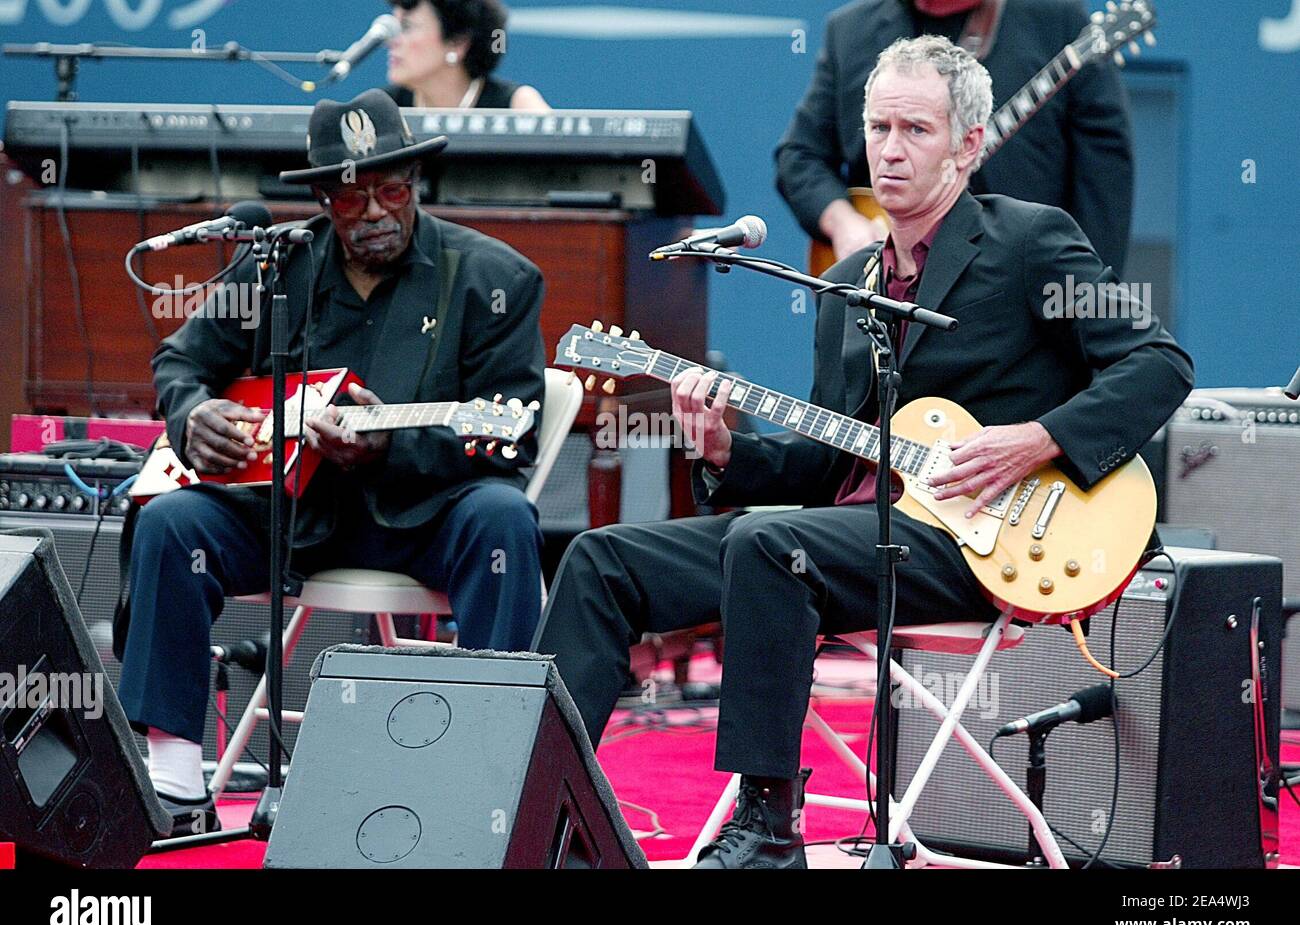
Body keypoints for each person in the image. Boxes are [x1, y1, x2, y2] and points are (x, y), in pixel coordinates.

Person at [533, 35, 1192, 868]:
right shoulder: (848, 282)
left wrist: (1039, 440)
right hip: (845, 543)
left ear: (969, 145)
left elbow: (1160, 362)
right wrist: (725, 450)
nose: (889, 148)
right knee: (600, 560)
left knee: (769, 544)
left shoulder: (1031, 241)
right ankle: (544, 810)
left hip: (980, 540)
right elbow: (823, 462)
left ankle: (770, 830)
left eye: (915, 129)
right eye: (879, 127)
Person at [115, 89, 546, 837]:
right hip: (296, 515)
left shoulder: (491, 278)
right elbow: (180, 358)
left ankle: (488, 773)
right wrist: (191, 414)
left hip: (422, 517)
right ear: (321, 198)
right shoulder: (278, 265)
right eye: (351, 198)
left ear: (415, 186)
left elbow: (510, 438)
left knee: (504, 516)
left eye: (391, 190)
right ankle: (177, 783)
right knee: (172, 521)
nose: (376, 211)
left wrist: (392, 446)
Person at [777, 0, 1133, 273]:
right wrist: (845, 225)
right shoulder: (850, 29)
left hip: (1020, 285)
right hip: (882, 300)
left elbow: (1105, 176)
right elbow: (799, 155)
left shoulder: (1056, 19)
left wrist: (1084, 294)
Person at [385, 0, 549, 110]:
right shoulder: (384, 108)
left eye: (406, 27)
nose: (391, 41)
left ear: (457, 43)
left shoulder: (517, 105)